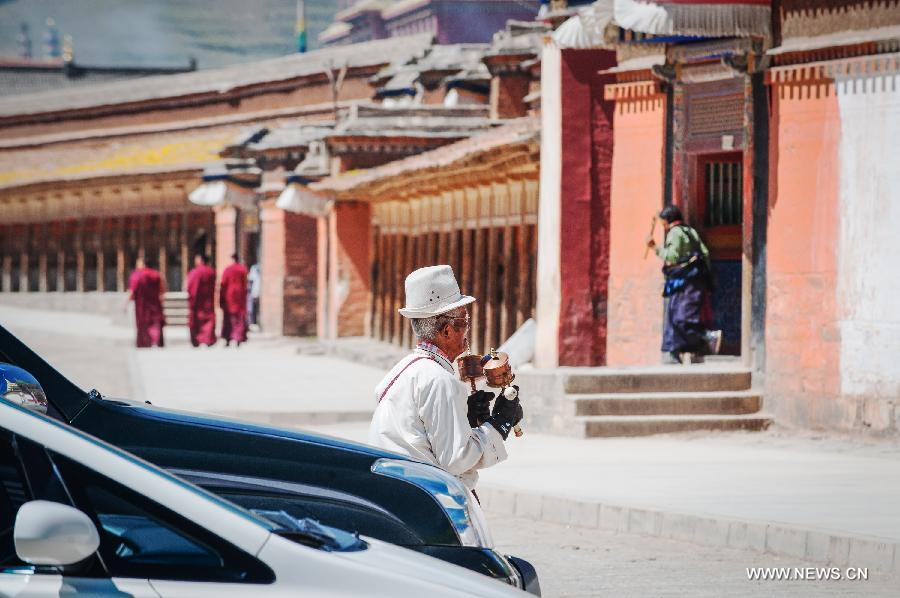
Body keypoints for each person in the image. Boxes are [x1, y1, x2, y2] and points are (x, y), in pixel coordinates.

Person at [368, 265, 524, 502]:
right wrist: (499, 423)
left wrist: (466, 419)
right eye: (465, 321)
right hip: (425, 500)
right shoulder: (439, 380)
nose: (468, 329)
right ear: (448, 330)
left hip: (398, 492)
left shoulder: (403, 370)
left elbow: (421, 434)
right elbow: (456, 459)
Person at [647, 205, 722, 364]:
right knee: (684, 315)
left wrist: (655, 248)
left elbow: (672, 257)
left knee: (680, 317)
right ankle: (680, 352)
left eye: (664, 223)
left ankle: (707, 337)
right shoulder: (690, 231)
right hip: (696, 279)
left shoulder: (675, 233)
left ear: (668, 221)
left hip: (684, 281)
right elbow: (705, 253)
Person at [127, 256, 165, 348]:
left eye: (138, 263)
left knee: (143, 324)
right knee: (155, 323)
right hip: (155, 305)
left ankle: (144, 342)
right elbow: (162, 290)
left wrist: (129, 300)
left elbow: (131, 292)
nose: (136, 266)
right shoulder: (157, 274)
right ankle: (155, 342)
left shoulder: (136, 275)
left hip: (141, 306)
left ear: (143, 264)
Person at [185, 254, 217, 347]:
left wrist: (191, 299)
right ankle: (208, 340)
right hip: (208, 301)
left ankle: (197, 340)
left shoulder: (195, 272)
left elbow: (190, 287)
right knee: (208, 321)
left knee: (196, 321)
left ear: (201, 260)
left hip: (197, 301)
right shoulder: (211, 272)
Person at [219, 253, 248, 347]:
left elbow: (223, 284)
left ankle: (228, 338)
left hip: (229, 296)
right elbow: (245, 284)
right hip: (240, 296)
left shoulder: (228, 270)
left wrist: (221, 298)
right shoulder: (242, 269)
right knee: (239, 318)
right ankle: (238, 338)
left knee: (228, 318)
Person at [246, 263, 261, 329]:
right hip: (254, 292)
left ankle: (254, 321)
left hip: (256, 291)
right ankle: (252, 321)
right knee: (251, 308)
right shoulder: (254, 269)